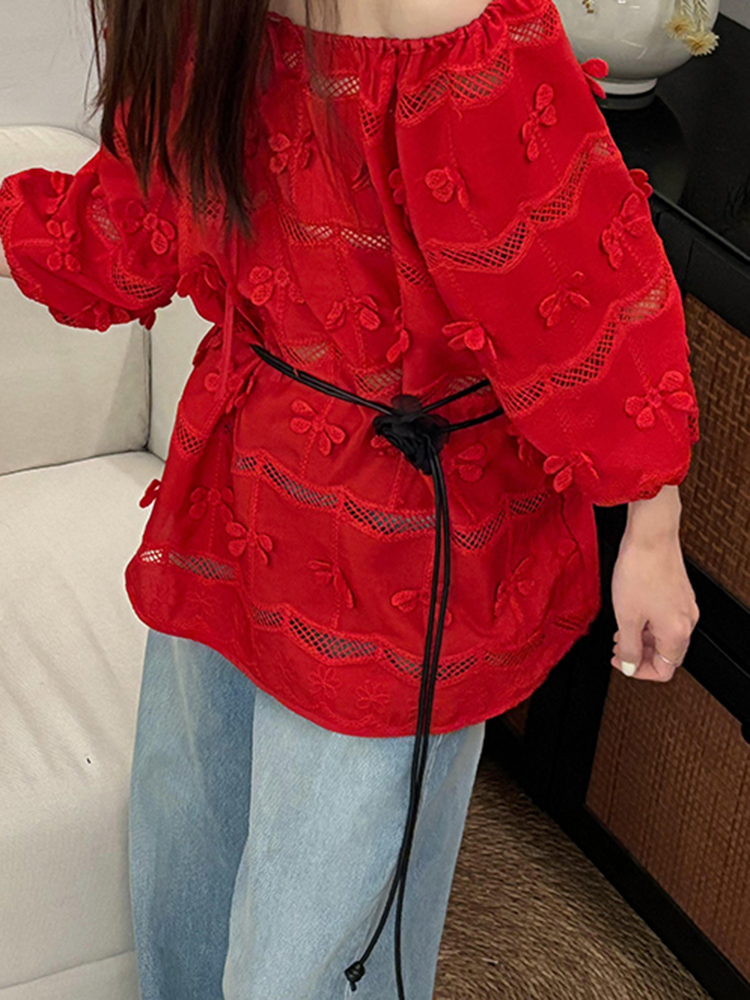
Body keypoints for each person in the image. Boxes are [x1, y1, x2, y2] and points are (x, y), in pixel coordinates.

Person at [0, 0, 701, 997]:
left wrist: (651, 518)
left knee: (214, 857)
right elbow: (578, 291)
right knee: (305, 910)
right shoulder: (435, 30)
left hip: (257, 498)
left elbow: (123, 242)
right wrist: (652, 519)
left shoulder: (199, 21)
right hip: (360, 539)